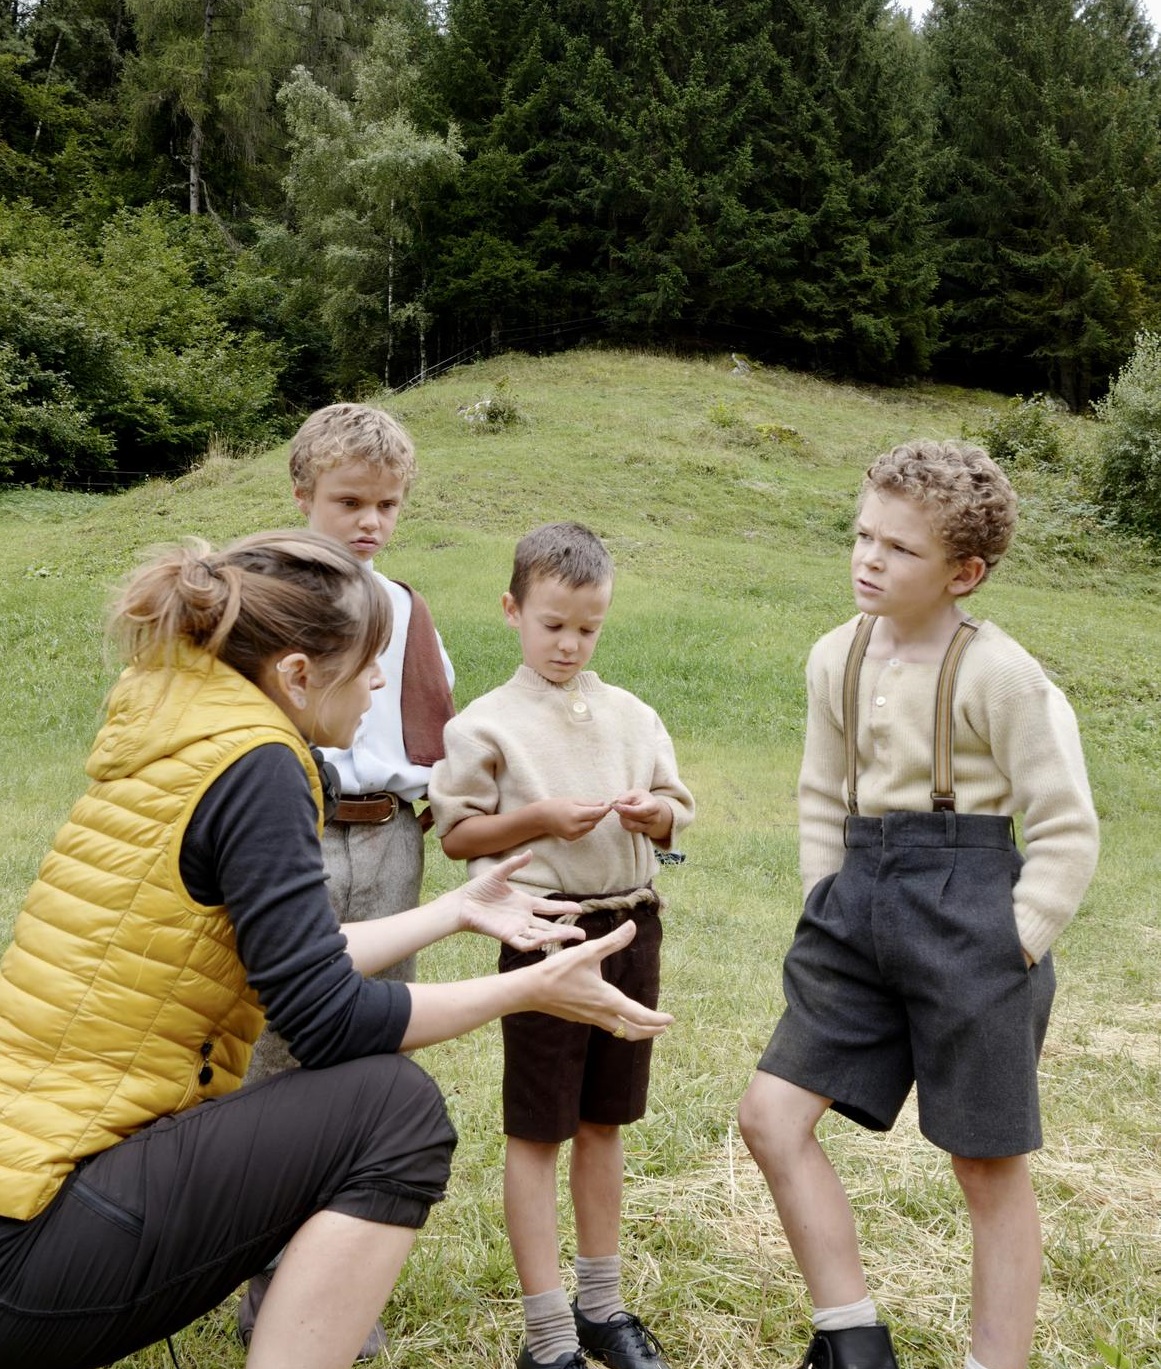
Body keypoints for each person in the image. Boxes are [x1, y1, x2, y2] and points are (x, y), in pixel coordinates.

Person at [0, 530, 673, 1369]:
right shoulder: (257, 762)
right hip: (41, 1239)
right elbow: (324, 1018)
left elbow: (292, 955)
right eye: (368, 666)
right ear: (295, 673)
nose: (382, 684)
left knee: (383, 1099)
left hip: (29, 1199)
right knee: (395, 1109)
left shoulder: (181, 728)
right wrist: (526, 990)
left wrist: (456, 911)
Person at [737, 441, 1099, 1369]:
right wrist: (825, 892)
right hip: (854, 902)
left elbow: (1065, 824)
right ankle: (851, 1337)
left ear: (962, 573)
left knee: (985, 1164)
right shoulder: (833, 655)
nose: (867, 559)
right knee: (771, 1114)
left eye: (899, 549)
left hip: (970, 907)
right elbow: (823, 789)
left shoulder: (1003, 676)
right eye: (862, 535)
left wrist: (1013, 941)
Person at [428, 521, 695, 1369]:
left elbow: (673, 807)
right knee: (538, 1129)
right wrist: (541, 818)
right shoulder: (486, 724)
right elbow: (458, 836)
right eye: (552, 624)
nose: (569, 643)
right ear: (512, 611)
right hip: (542, 933)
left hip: (630, 921)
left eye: (588, 628)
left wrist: (655, 814)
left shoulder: (633, 712)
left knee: (604, 1121)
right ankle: (547, 1336)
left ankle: (601, 1306)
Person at [240, 402, 456, 1355]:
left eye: (387, 504)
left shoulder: (404, 606)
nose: (369, 521)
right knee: (278, 1046)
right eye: (349, 501)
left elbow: (436, 729)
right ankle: (262, 1276)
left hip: (389, 840)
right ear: (302, 497)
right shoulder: (265, 601)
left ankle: (337, 1275)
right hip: (296, 828)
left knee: (374, 1043)